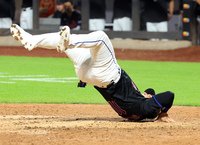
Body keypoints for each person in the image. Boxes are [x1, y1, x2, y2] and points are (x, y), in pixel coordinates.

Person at [10, 24, 176, 123]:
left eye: (151, 100)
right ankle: (32, 40)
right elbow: (152, 92)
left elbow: (168, 95)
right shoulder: (136, 111)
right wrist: (147, 96)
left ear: (152, 109)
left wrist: (163, 113)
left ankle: (69, 41)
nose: (148, 95)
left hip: (107, 74)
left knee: (101, 38)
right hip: (88, 75)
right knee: (65, 46)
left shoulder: (145, 108)